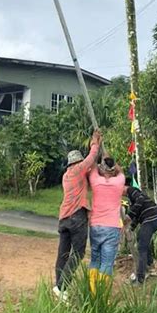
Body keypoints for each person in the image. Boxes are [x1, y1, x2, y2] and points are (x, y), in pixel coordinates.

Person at [53, 129, 102, 300]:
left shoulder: (67, 175)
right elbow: (91, 157)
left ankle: (59, 287)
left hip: (64, 218)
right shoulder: (77, 170)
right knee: (78, 253)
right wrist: (95, 142)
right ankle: (62, 285)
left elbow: (90, 171)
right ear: (78, 162)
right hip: (76, 216)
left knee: (63, 253)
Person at [88, 156, 125, 292]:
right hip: (112, 227)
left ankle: (93, 293)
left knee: (94, 259)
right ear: (113, 168)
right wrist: (114, 165)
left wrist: (99, 164)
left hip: (95, 225)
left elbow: (92, 166)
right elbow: (120, 170)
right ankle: (102, 296)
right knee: (107, 263)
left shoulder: (95, 180)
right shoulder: (120, 181)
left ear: (101, 169)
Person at [123, 179, 157, 284]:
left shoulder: (131, 190)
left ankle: (140, 278)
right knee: (141, 239)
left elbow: (140, 199)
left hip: (152, 218)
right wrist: (130, 228)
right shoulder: (131, 201)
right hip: (152, 219)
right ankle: (149, 264)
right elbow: (136, 215)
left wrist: (129, 215)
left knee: (141, 247)